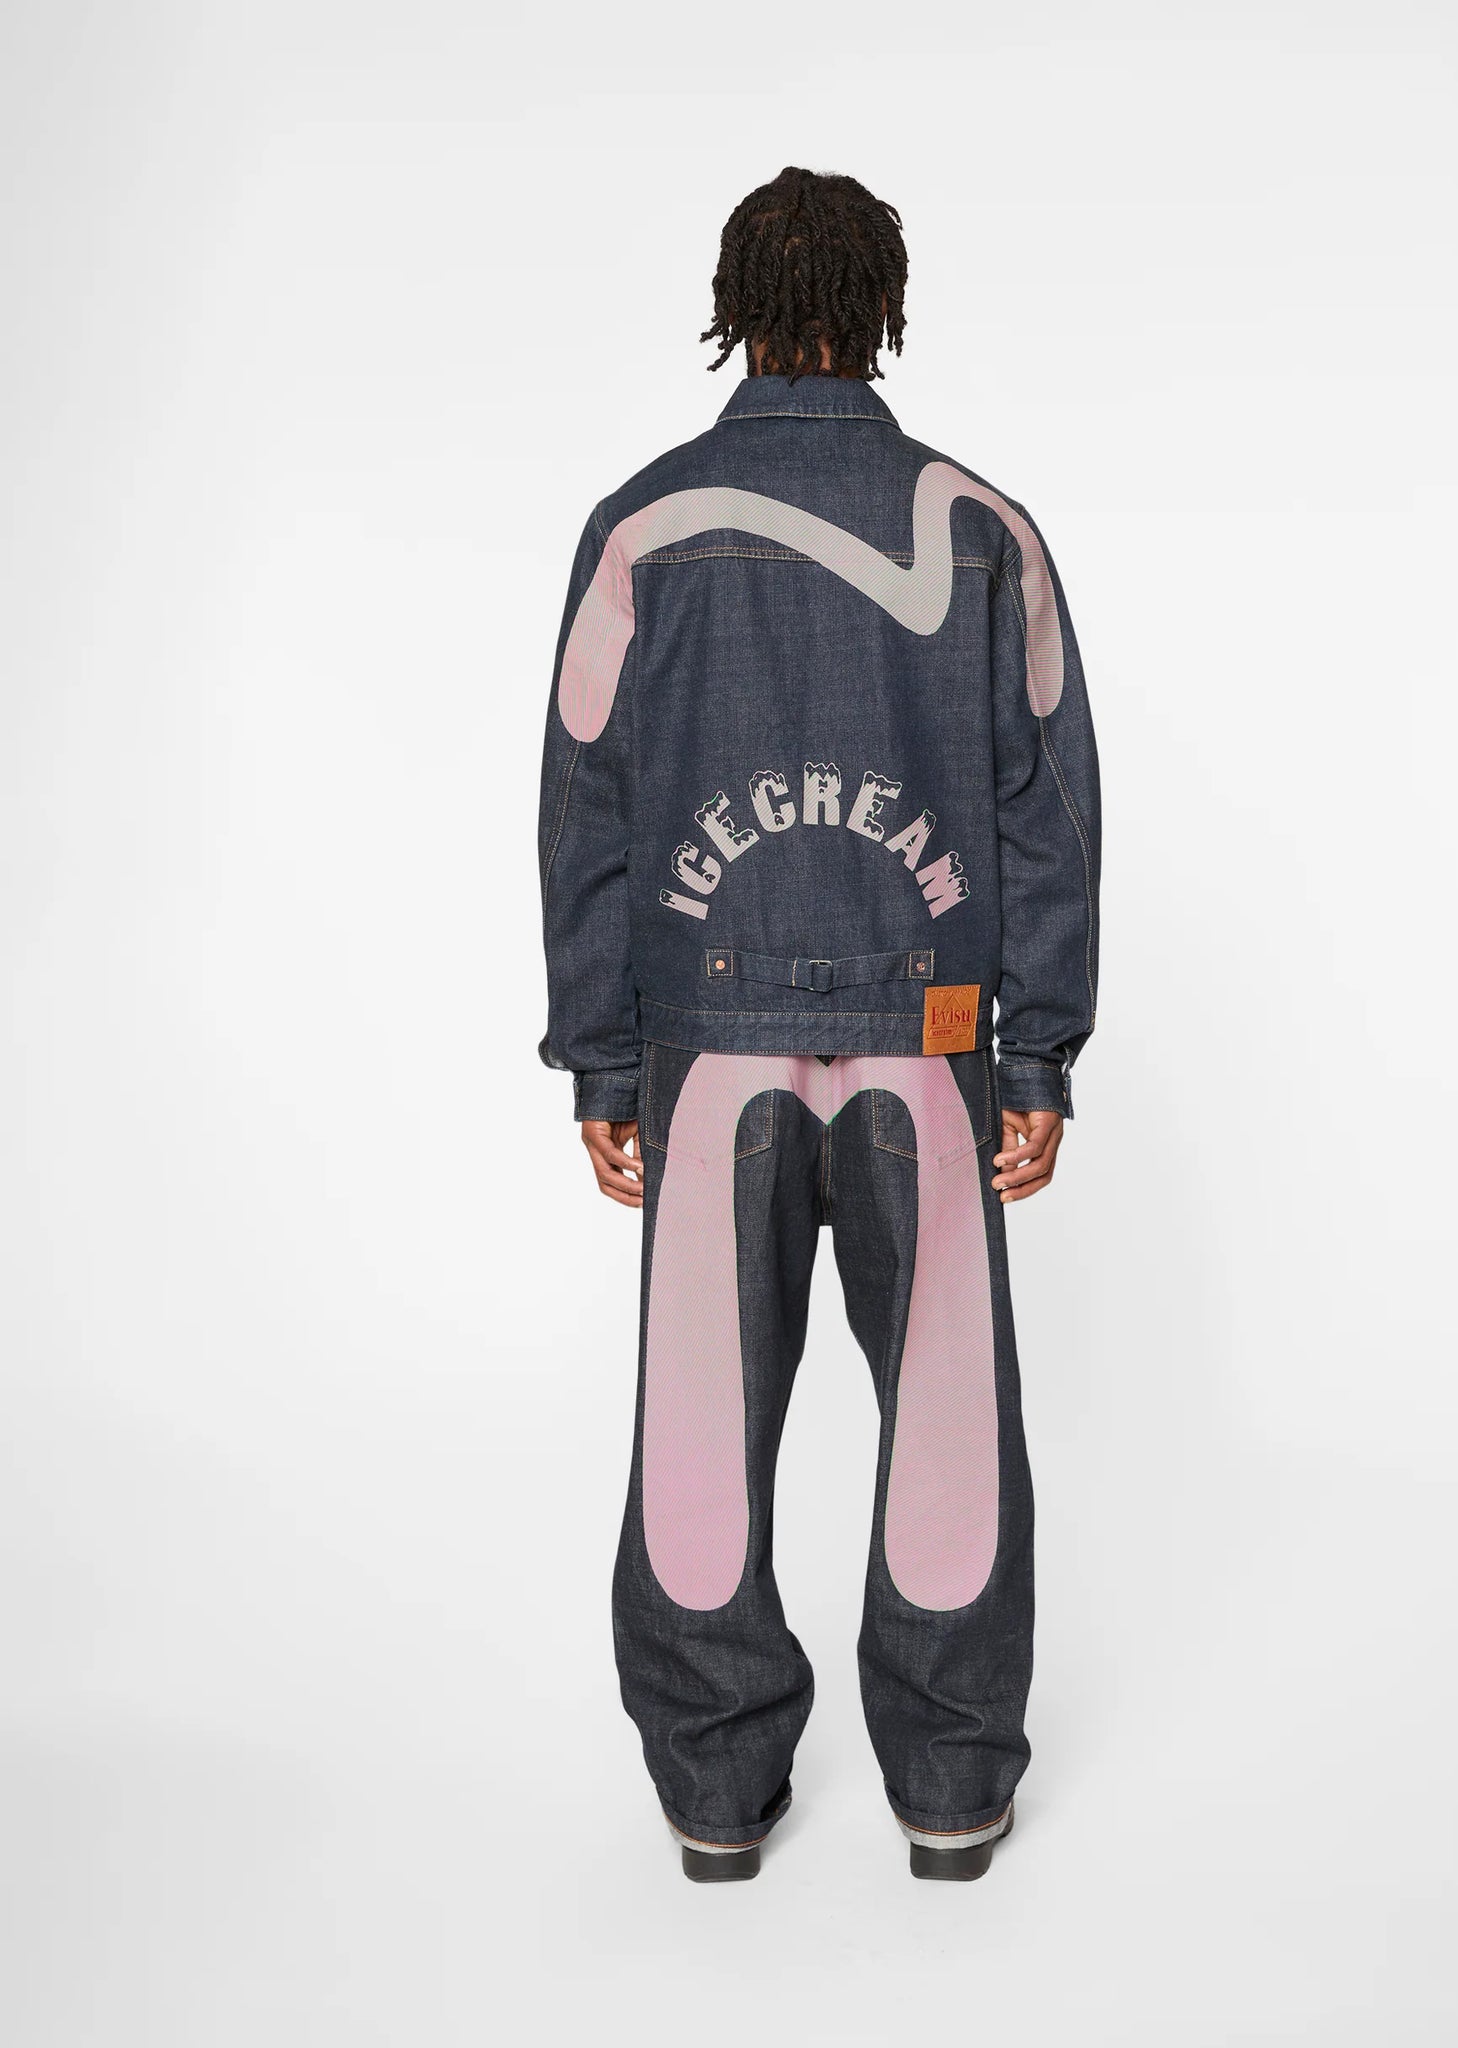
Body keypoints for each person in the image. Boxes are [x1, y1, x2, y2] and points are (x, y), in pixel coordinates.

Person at [537, 166, 1100, 1883]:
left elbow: (588, 806)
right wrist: (1034, 1050)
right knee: (944, 1417)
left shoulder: (640, 529)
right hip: (927, 1034)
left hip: (707, 1042)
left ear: (738, 305)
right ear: (881, 306)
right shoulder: (981, 527)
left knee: (699, 1423)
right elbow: (1042, 807)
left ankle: (714, 1803)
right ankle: (951, 1798)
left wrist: (603, 1056)